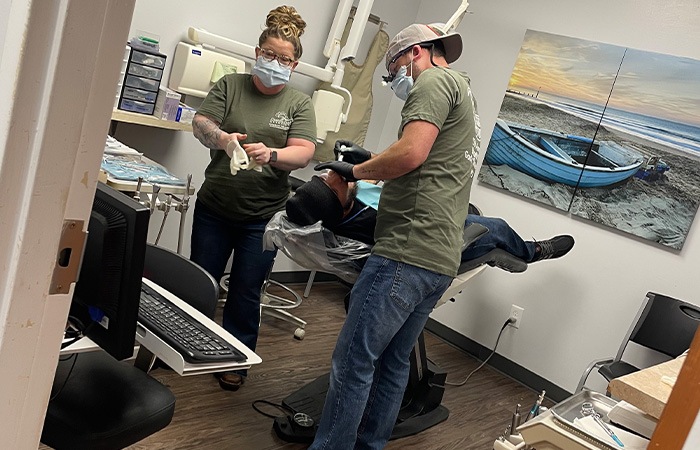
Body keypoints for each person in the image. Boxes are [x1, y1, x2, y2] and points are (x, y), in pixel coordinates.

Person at [306, 23, 481, 449]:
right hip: (439, 256)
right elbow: (423, 157)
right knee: (391, 362)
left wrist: (356, 171)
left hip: (406, 251)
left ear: (415, 53)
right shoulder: (464, 92)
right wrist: (374, 158)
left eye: (393, 71)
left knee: (354, 360)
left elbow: (412, 152)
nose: (395, 81)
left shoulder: (433, 81)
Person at [190, 5, 316, 392]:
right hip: (215, 206)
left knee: (246, 289)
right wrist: (224, 140)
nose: (275, 62)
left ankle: (233, 359)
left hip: (261, 217)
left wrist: (273, 155)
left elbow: (305, 152)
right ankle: (186, 345)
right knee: (201, 280)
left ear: (294, 64)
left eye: (284, 58)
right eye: (269, 54)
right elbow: (200, 122)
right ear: (257, 52)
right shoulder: (231, 86)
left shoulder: (298, 103)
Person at [285, 170, 575, 265]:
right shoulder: (371, 221)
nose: (339, 175)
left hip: (425, 214)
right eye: (334, 180)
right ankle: (531, 251)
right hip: (437, 238)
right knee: (496, 228)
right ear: (339, 204)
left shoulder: (349, 204)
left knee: (469, 208)